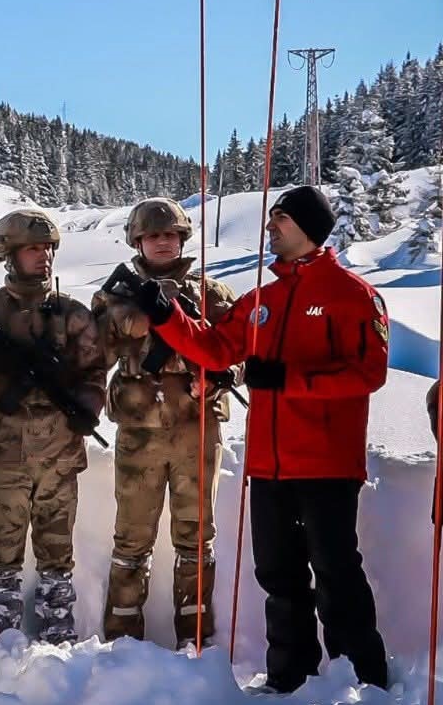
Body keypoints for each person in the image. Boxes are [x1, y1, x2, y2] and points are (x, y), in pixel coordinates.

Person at [137, 185, 390, 692]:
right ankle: (288, 679)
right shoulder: (261, 300)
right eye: (271, 219)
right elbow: (212, 350)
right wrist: (166, 316)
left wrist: (289, 380)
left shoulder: (353, 294)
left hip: (327, 465)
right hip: (268, 466)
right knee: (278, 576)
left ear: (308, 227)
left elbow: (369, 373)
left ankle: (362, 680)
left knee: (337, 575)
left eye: (280, 219)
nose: (270, 227)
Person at [0, 209, 105, 645]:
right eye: (33, 249)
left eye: (47, 249)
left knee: (58, 557)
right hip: (5, 455)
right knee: (1, 556)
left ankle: (58, 642)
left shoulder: (72, 314)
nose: (43, 257)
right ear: (9, 254)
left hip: (60, 456)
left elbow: (95, 371)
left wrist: (86, 407)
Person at [91, 198, 237, 646]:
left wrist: (216, 381)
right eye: (153, 235)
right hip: (138, 432)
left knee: (196, 537)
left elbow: (238, 353)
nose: (162, 242)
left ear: (183, 239)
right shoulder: (114, 296)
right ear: (138, 240)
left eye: (170, 235)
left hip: (198, 429)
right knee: (132, 537)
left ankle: (196, 637)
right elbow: (93, 357)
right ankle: (121, 639)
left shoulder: (211, 294)